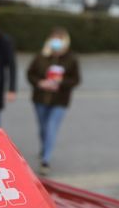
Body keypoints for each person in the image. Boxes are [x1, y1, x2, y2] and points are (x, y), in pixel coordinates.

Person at [27, 27, 81, 176]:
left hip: (60, 100)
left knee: (51, 127)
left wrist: (61, 82)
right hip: (40, 98)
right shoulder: (41, 56)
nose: (56, 43)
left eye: (60, 39)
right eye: (54, 39)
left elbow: (76, 79)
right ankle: (44, 147)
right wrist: (40, 82)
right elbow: (30, 74)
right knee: (43, 127)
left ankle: (46, 159)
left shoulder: (71, 59)